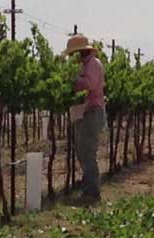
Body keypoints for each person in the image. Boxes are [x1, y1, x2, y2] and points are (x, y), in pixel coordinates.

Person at [63, 34, 106, 203]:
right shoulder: (86, 65)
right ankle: (88, 188)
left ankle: (92, 192)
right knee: (82, 150)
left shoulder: (93, 65)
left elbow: (89, 85)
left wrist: (72, 81)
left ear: (80, 52)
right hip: (86, 112)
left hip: (93, 112)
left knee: (88, 151)